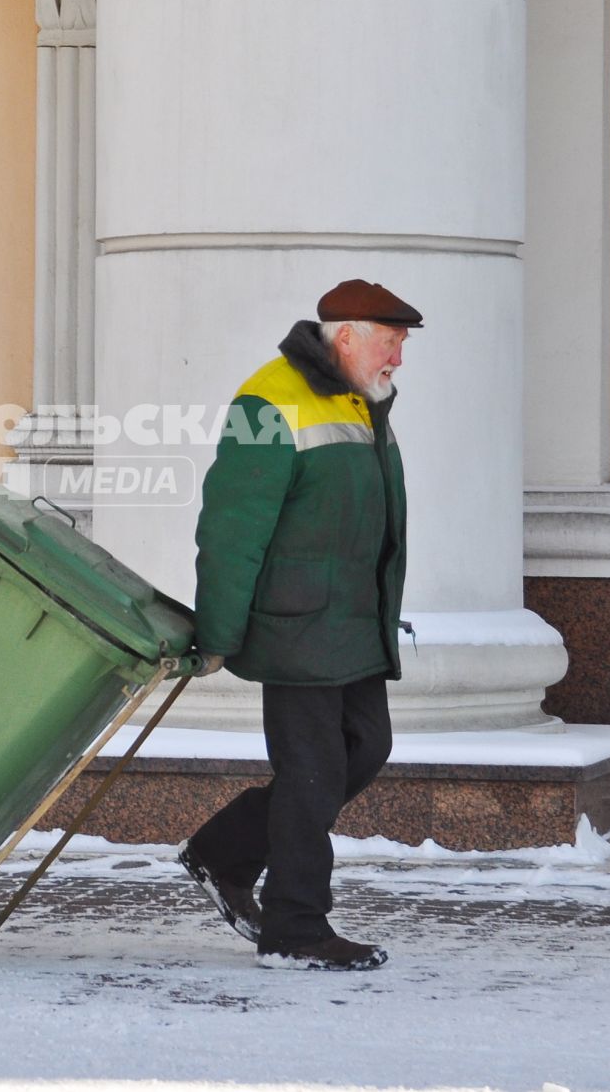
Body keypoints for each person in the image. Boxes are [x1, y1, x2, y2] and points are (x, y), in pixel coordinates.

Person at [180, 278, 420, 970]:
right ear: (344, 334)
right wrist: (220, 632)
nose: (397, 357)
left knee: (365, 748)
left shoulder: (361, 400)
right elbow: (231, 526)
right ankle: (295, 925)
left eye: (401, 344)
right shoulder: (270, 397)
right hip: (298, 624)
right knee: (312, 772)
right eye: (389, 340)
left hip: (353, 623)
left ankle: (223, 850)